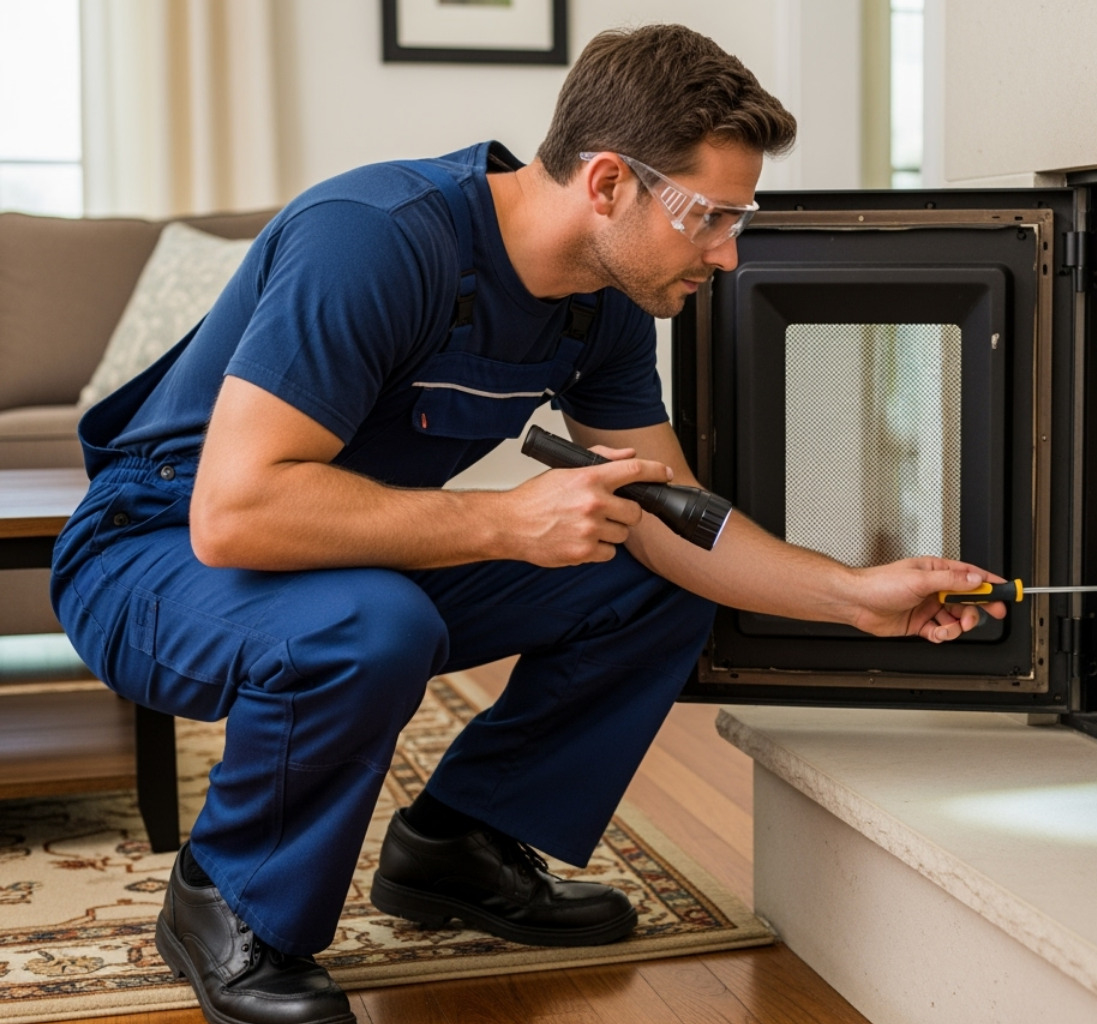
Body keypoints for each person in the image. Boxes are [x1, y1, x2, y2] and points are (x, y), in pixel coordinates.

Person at [51, 23, 1006, 1024]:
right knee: (377, 625)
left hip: (350, 560)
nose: (728, 254)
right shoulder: (376, 238)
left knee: (648, 571)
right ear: (607, 185)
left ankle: (458, 843)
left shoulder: (604, 304)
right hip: (150, 554)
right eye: (710, 217)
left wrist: (852, 593)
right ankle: (230, 902)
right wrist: (505, 522)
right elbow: (235, 512)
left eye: (741, 217)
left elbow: (672, 517)